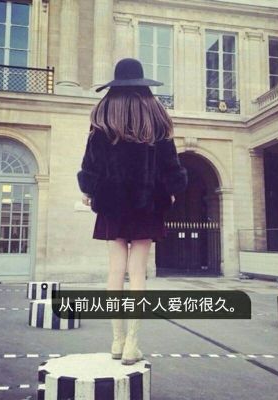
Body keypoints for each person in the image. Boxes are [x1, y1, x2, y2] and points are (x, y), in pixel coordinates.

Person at [77, 58, 188, 365]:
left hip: (112, 203)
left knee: (115, 270)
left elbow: (90, 165)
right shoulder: (157, 118)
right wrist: (172, 190)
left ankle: (116, 340)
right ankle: (132, 345)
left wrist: (89, 190)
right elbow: (171, 165)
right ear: (143, 86)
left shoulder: (102, 118)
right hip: (146, 203)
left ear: (115, 86)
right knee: (138, 272)